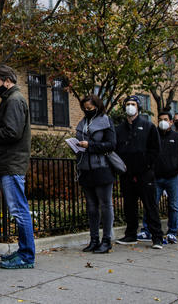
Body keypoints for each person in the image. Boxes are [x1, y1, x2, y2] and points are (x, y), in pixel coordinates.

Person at [0, 65, 35, 268]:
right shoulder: (11, 100)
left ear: (7, 81)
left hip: (12, 164)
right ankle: (23, 251)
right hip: (10, 163)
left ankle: (27, 256)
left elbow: (12, 132)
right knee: (19, 210)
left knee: (19, 211)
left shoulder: (14, 100)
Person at [114, 96, 164, 249]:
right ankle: (130, 235)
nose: (130, 107)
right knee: (129, 206)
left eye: (133, 104)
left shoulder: (148, 126)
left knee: (150, 206)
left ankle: (157, 237)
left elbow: (155, 150)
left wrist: (146, 165)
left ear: (138, 107)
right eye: (128, 104)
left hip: (144, 174)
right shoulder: (119, 129)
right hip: (126, 174)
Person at [73, 95, 116, 254]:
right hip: (85, 168)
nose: (87, 110)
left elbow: (111, 144)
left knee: (105, 205)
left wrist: (90, 145)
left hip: (102, 167)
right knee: (91, 207)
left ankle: (106, 240)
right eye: (84, 108)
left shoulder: (106, 121)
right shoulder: (82, 123)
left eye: (90, 108)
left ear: (97, 107)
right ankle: (94, 239)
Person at [139, 112, 178, 245]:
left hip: (173, 177)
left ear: (171, 122)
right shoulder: (153, 137)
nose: (163, 122)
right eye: (160, 119)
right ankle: (147, 230)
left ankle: (172, 232)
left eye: (165, 119)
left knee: (174, 205)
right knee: (150, 205)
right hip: (156, 177)